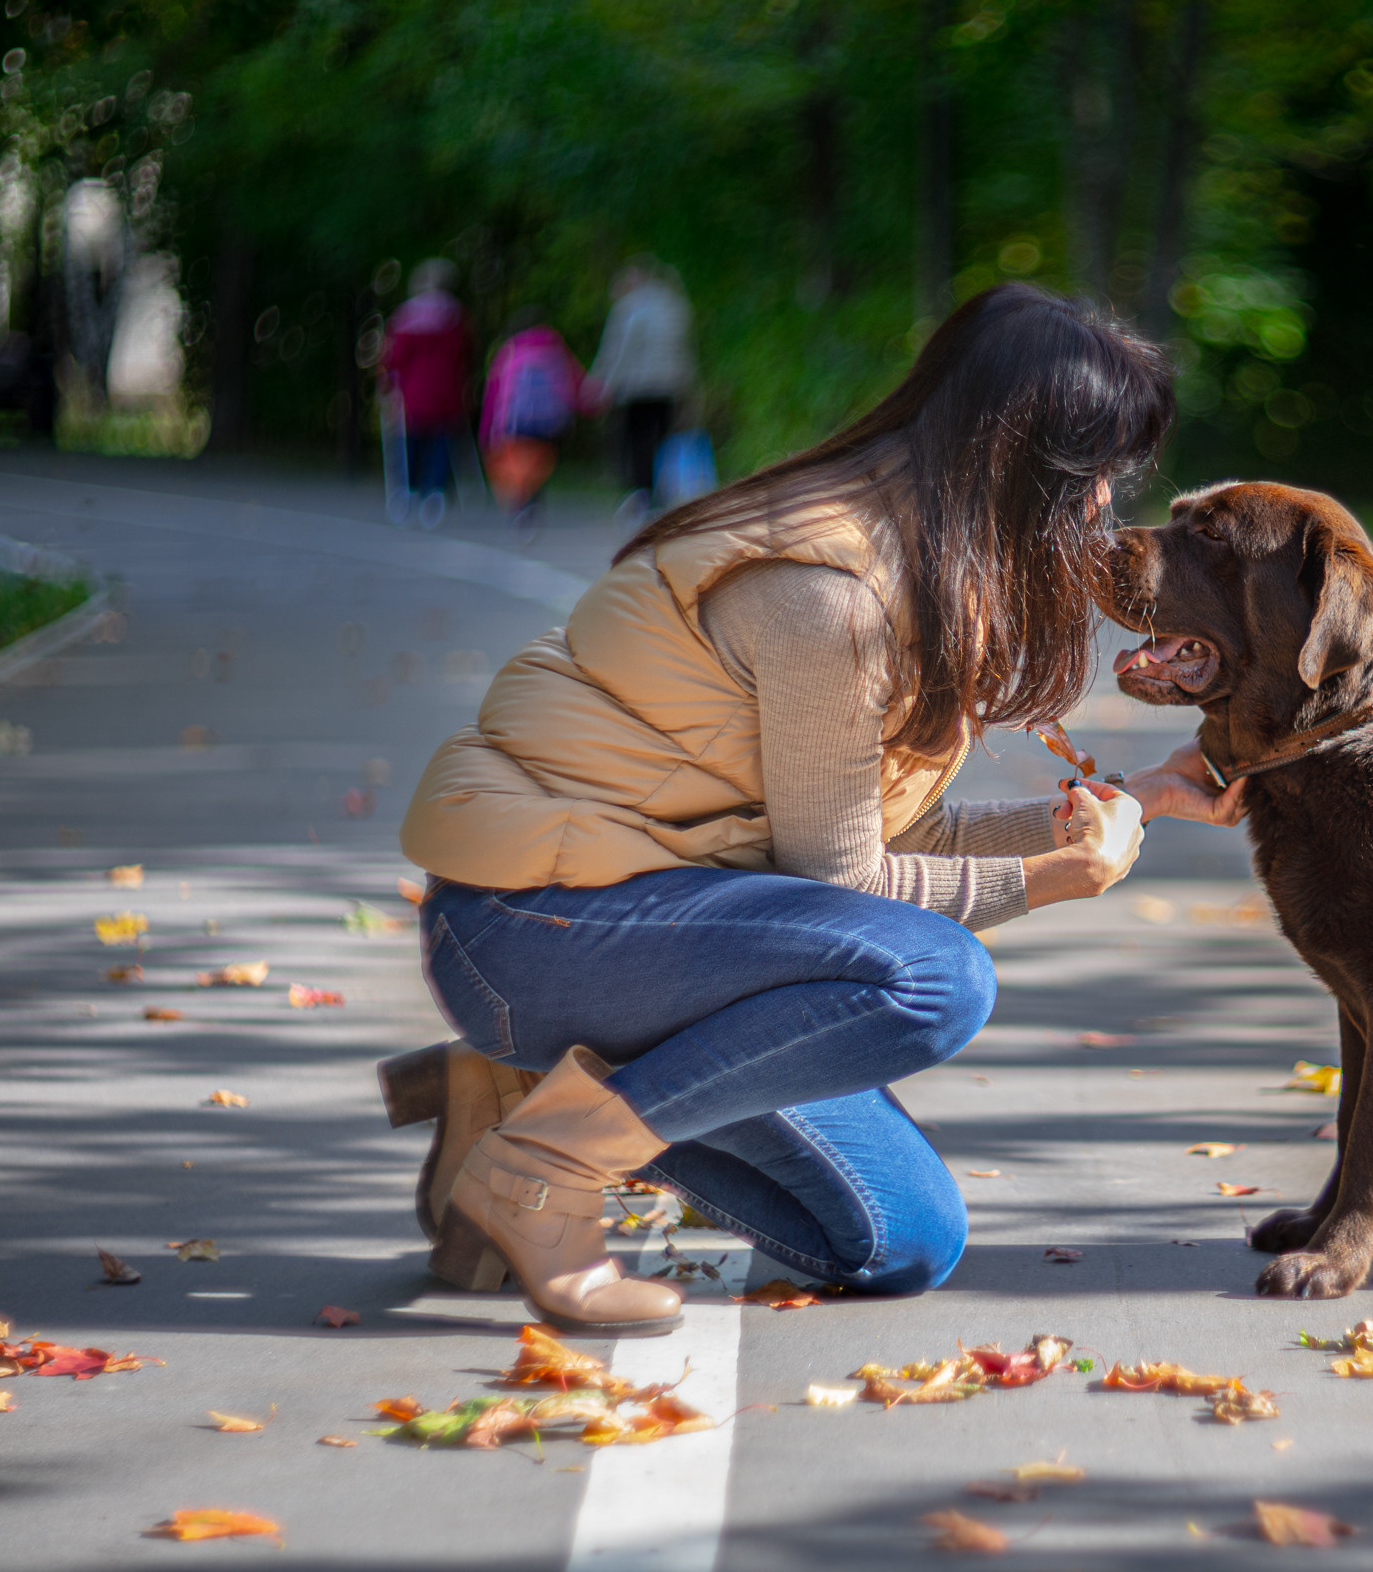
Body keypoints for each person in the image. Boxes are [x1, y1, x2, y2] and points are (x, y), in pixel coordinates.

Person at [388, 284, 1247, 1335]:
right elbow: (847, 887)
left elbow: (878, 840)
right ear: (1022, 467)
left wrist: (1135, 803)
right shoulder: (827, 592)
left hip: (667, 924)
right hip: (537, 920)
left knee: (900, 1241)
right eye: (1097, 474)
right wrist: (1052, 879)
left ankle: (529, 1090)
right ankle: (547, 1163)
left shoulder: (923, 567)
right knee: (935, 974)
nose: (1107, 504)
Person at [586, 257, 695, 526]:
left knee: (637, 439)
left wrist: (602, 382)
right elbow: (686, 347)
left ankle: (642, 495)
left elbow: (618, 349)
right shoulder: (675, 304)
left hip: (638, 385)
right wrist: (688, 384)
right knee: (661, 438)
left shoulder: (630, 306)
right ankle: (661, 495)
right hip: (671, 384)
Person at [379, 259, 473, 530]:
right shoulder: (456, 316)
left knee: (410, 440)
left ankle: (407, 491)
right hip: (447, 390)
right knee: (441, 441)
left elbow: (395, 357)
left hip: (413, 392)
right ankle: (434, 493)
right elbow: (465, 354)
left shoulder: (405, 317)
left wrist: (387, 385)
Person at [479, 306, 588, 537]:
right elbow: (574, 381)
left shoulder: (509, 351)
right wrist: (586, 405)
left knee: (518, 463)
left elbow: (494, 393)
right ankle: (533, 503)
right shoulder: (556, 349)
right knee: (538, 463)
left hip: (518, 421)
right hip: (551, 421)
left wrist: (487, 429)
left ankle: (521, 505)